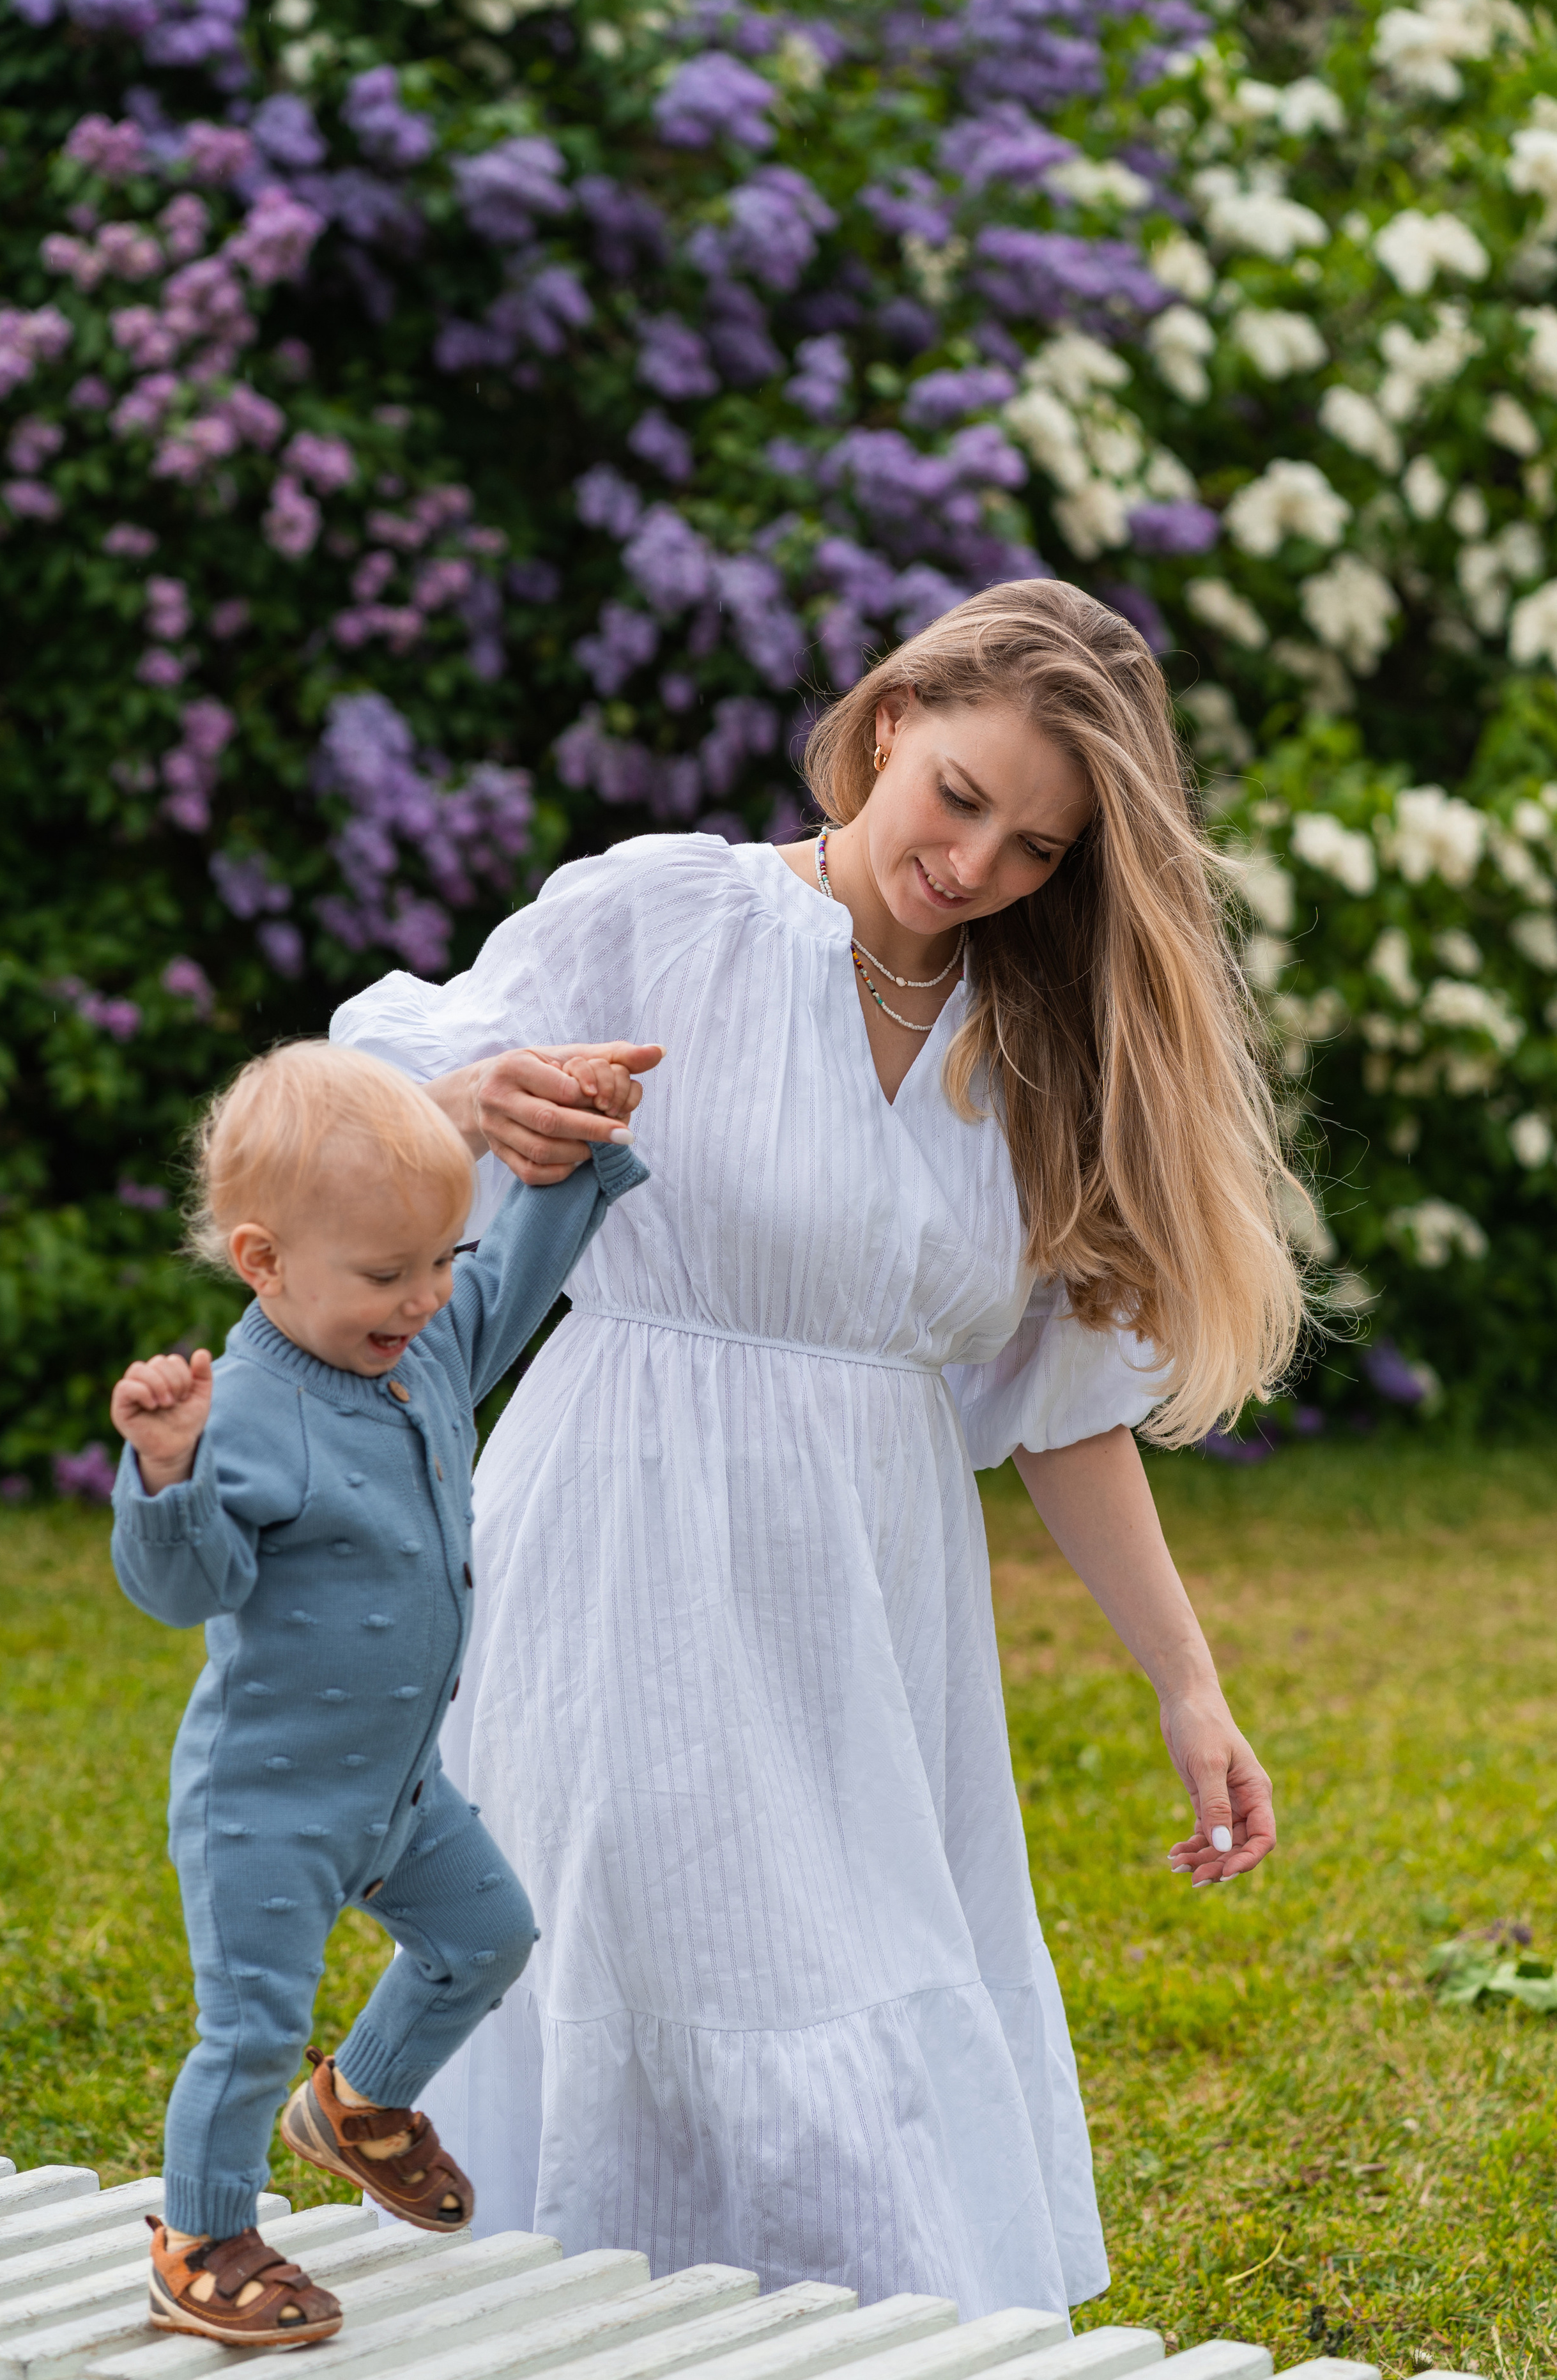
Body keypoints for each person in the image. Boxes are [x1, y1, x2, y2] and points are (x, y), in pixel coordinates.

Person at [330, 579, 1300, 2322]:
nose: (980, 861)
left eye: (1038, 847)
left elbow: (1061, 1410)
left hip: (863, 1587)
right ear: (884, 727)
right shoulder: (665, 914)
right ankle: (589, 2330)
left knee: (854, 1972)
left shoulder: (1032, 1047)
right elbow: (384, 1072)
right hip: (626, 1527)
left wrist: (1189, 1686)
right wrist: (479, 1104)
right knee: (670, 1953)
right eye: (960, 796)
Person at [107, 1040, 647, 2346]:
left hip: (401, 1791)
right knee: (247, 2029)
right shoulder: (238, 1412)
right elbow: (185, 1591)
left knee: (488, 1938)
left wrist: (570, 1158)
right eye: (385, 1273)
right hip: (271, 1802)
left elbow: (509, 1281)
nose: (424, 1298)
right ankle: (203, 2238)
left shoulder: (418, 1352)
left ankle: (358, 2102)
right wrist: (169, 1473)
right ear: (263, 1262)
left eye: (437, 1261)